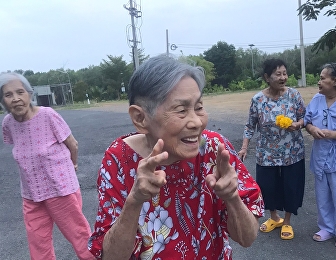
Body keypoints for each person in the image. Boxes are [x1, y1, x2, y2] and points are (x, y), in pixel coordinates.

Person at [88, 55, 264, 259]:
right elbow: (110, 256)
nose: (196, 122)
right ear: (140, 118)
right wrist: (134, 200)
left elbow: (247, 238)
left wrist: (232, 197)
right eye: (181, 110)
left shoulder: (214, 149)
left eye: (198, 107)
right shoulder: (119, 159)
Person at [0, 73, 95, 260]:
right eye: (8, 95)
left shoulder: (47, 115)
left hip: (59, 190)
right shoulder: (8, 123)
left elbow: (72, 144)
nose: (16, 98)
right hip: (31, 195)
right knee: (38, 245)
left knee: (80, 238)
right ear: (2, 100)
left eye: (20, 92)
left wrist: (73, 164)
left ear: (29, 94)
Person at [238, 58, 306, 240]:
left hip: (292, 152)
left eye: (284, 73)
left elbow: (304, 118)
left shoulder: (294, 95)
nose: (283, 77)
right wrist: (244, 147)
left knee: (291, 187)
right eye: (278, 74)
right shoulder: (258, 99)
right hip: (266, 153)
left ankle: (287, 222)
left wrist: (297, 125)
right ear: (267, 77)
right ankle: (274, 217)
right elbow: (250, 125)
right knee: (267, 187)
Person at [304, 62, 336, 248]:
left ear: (335, 81)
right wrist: (313, 128)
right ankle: (326, 228)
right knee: (322, 193)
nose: (319, 82)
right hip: (320, 153)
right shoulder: (316, 99)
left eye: (323, 78)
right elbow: (307, 121)